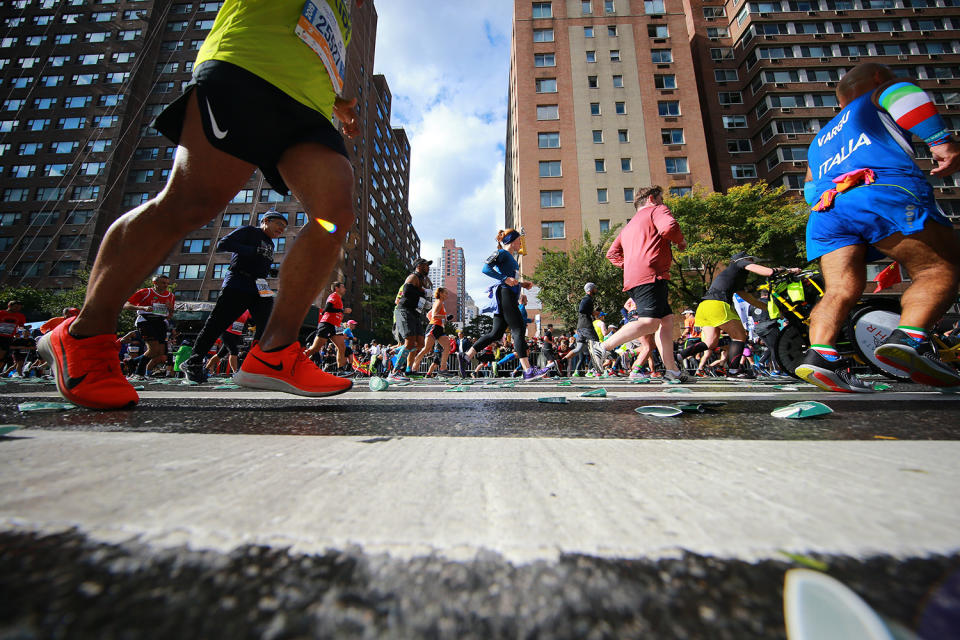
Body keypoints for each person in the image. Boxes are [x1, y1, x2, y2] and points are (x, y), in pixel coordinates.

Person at [38, 0, 364, 409]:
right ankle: (84, 333)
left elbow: (313, 42)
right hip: (248, 67)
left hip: (311, 110)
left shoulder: (348, 13)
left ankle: (276, 351)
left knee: (334, 214)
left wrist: (338, 100)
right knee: (190, 203)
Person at [797, 62, 960, 391]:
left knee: (839, 289)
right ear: (876, 78)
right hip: (880, 191)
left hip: (826, 211)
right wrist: (942, 142)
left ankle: (820, 355)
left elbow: (809, 188)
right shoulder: (877, 94)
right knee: (938, 269)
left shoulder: (820, 139)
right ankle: (911, 340)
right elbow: (906, 96)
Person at [591, 185, 689, 383]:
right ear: (652, 199)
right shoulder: (657, 210)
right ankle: (603, 347)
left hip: (636, 277)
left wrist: (632, 264)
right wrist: (680, 242)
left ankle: (673, 371)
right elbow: (669, 227)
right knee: (650, 322)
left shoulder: (629, 226)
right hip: (652, 274)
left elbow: (612, 254)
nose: (663, 203)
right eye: (661, 199)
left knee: (666, 320)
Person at [182, 211, 287, 383]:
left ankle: (256, 365)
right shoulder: (249, 231)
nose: (281, 230)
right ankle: (193, 362)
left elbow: (258, 261)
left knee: (269, 323)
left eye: (284, 228)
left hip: (259, 286)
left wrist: (271, 270)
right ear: (266, 221)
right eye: (279, 225)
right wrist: (252, 250)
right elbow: (222, 244)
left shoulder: (270, 243)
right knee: (217, 324)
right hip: (238, 283)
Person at [679, 252, 798, 380]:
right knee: (740, 336)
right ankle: (734, 371)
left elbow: (752, 300)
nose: (752, 262)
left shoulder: (734, 279)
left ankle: (680, 355)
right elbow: (768, 272)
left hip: (705, 306)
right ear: (744, 260)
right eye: (751, 260)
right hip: (718, 305)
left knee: (710, 343)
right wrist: (788, 270)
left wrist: (772, 310)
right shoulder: (739, 263)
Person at [460, 229, 550, 381]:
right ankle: (528, 370)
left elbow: (510, 278)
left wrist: (521, 284)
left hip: (507, 295)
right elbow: (485, 269)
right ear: (513, 240)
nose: (521, 243)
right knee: (519, 328)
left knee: (496, 333)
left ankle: (466, 357)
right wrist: (504, 278)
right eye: (519, 240)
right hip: (505, 294)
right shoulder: (502, 253)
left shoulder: (510, 257)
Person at [124, 274, 176, 379]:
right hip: (146, 320)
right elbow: (126, 305)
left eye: (167, 283)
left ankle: (133, 362)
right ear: (155, 283)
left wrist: (170, 309)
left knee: (160, 352)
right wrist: (142, 307)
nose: (166, 285)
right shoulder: (145, 292)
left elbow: (170, 315)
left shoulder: (170, 296)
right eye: (163, 283)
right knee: (153, 349)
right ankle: (139, 372)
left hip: (160, 321)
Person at [389, 258, 432, 381]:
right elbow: (407, 291)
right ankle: (394, 372)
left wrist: (424, 303)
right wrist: (422, 292)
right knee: (409, 343)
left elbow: (417, 296)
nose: (427, 267)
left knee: (420, 343)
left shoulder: (422, 280)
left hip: (415, 313)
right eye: (426, 265)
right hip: (404, 311)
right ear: (419, 266)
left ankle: (406, 368)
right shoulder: (413, 277)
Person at [303, 281, 352, 372]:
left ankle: (340, 370)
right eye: (343, 287)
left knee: (342, 347)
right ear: (336, 288)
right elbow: (327, 309)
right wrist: (343, 310)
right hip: (327, 324)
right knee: (315, 348)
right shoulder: (333, 296)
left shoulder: (339, 299)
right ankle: (297, 359)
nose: (345, 289)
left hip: (335, 326)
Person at [563, 283, 603, 376]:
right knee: (596, 346)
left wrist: (593, 313)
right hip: (586, 326)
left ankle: (561, 361)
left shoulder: (587, 299)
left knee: (578, 348)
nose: (596, 290)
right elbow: (581, 309)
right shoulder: (587, 299)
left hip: (580, 327)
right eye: (595, 288)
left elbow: (584, 311)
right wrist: (592, 313)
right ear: (591, 289)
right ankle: (592, 370)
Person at [411, 287, 452, 375]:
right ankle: (413, 367)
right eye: (445, 293)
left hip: (439, 328)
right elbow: (434, 315)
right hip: (434, 327)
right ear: (440, 293)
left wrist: (442, 319)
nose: (447, 295)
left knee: (447, 346)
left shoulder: (440, 303)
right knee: (426, 349)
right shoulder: (438, 302)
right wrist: (445, 317)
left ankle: (443, 369)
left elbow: (428, 315)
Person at [0, 301, 27, 371]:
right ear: (9, 306)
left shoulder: (20, 316)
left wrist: (24, 328)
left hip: (8, 337)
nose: (17, 309)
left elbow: (21, 326)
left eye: (19, 308)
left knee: (3, 355)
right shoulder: (1, 313)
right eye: (15, 307)